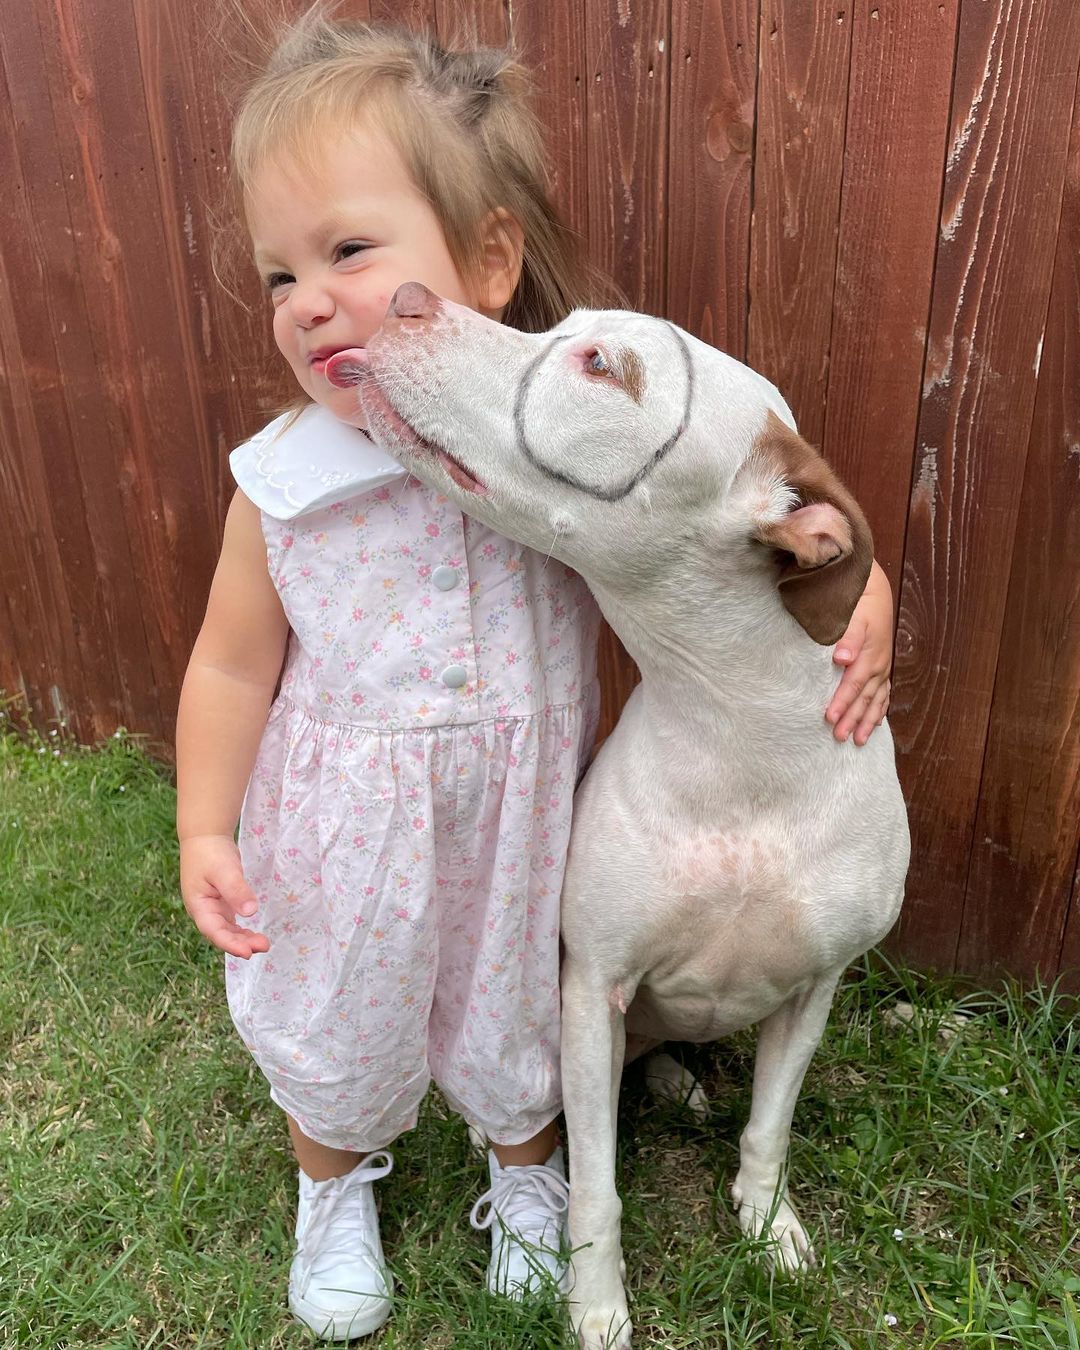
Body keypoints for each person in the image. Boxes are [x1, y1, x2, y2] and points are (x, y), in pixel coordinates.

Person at [175, 13, 896, 1341]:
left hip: (517, 829)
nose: (306, 300)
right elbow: (230, 663)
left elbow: (732, 523)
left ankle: (524, 1173)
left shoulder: (549, 456)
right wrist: (205, 822)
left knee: (518, 1011)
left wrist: (870, 592)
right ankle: (331, 1183)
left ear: (490, 257)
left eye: (346, 250)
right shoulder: (282, 484)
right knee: (341, 1007)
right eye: (279, 274)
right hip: (350, 838)